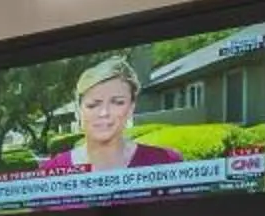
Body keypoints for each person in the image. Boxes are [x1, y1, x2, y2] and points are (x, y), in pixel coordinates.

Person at [42, 55, 179, 174]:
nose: (104, 113)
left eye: (117, 103)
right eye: (93, 105)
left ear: (131, 108)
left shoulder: (166, 161)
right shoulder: (51, 171)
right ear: (78, 111)